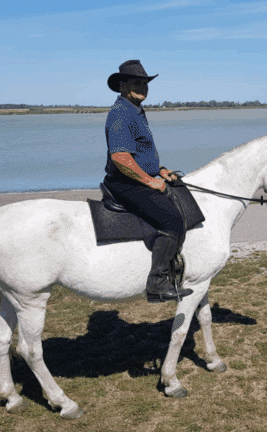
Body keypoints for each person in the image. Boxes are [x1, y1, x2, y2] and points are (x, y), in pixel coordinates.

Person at [103, 60, 193, 303]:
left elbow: (139, 154)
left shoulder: (136, 111)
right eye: (136, 83)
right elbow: (121, 157)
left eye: (145, 83)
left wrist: (160, 170)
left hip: (138, 178)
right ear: (122, 86)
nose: (142, 87)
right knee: (172, 220)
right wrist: (149, 181)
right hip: (125, 183)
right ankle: (157, 284)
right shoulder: (121, 113)